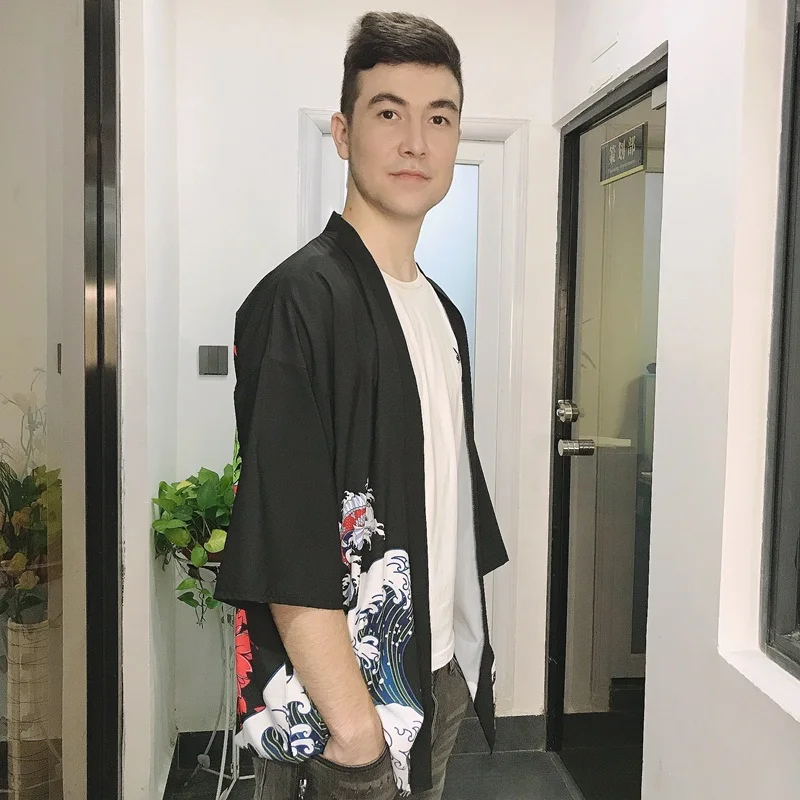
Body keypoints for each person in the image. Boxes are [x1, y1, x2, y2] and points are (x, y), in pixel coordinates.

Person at [214, 11, 508, 800]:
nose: (416, 142)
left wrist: (459, 662)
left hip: (435, 674)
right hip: (347, 710)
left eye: (438, 118)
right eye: (388, 113)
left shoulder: (441, 312)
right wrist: (355, 733)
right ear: (343, 134)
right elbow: (286, 535)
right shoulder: (298, 301)